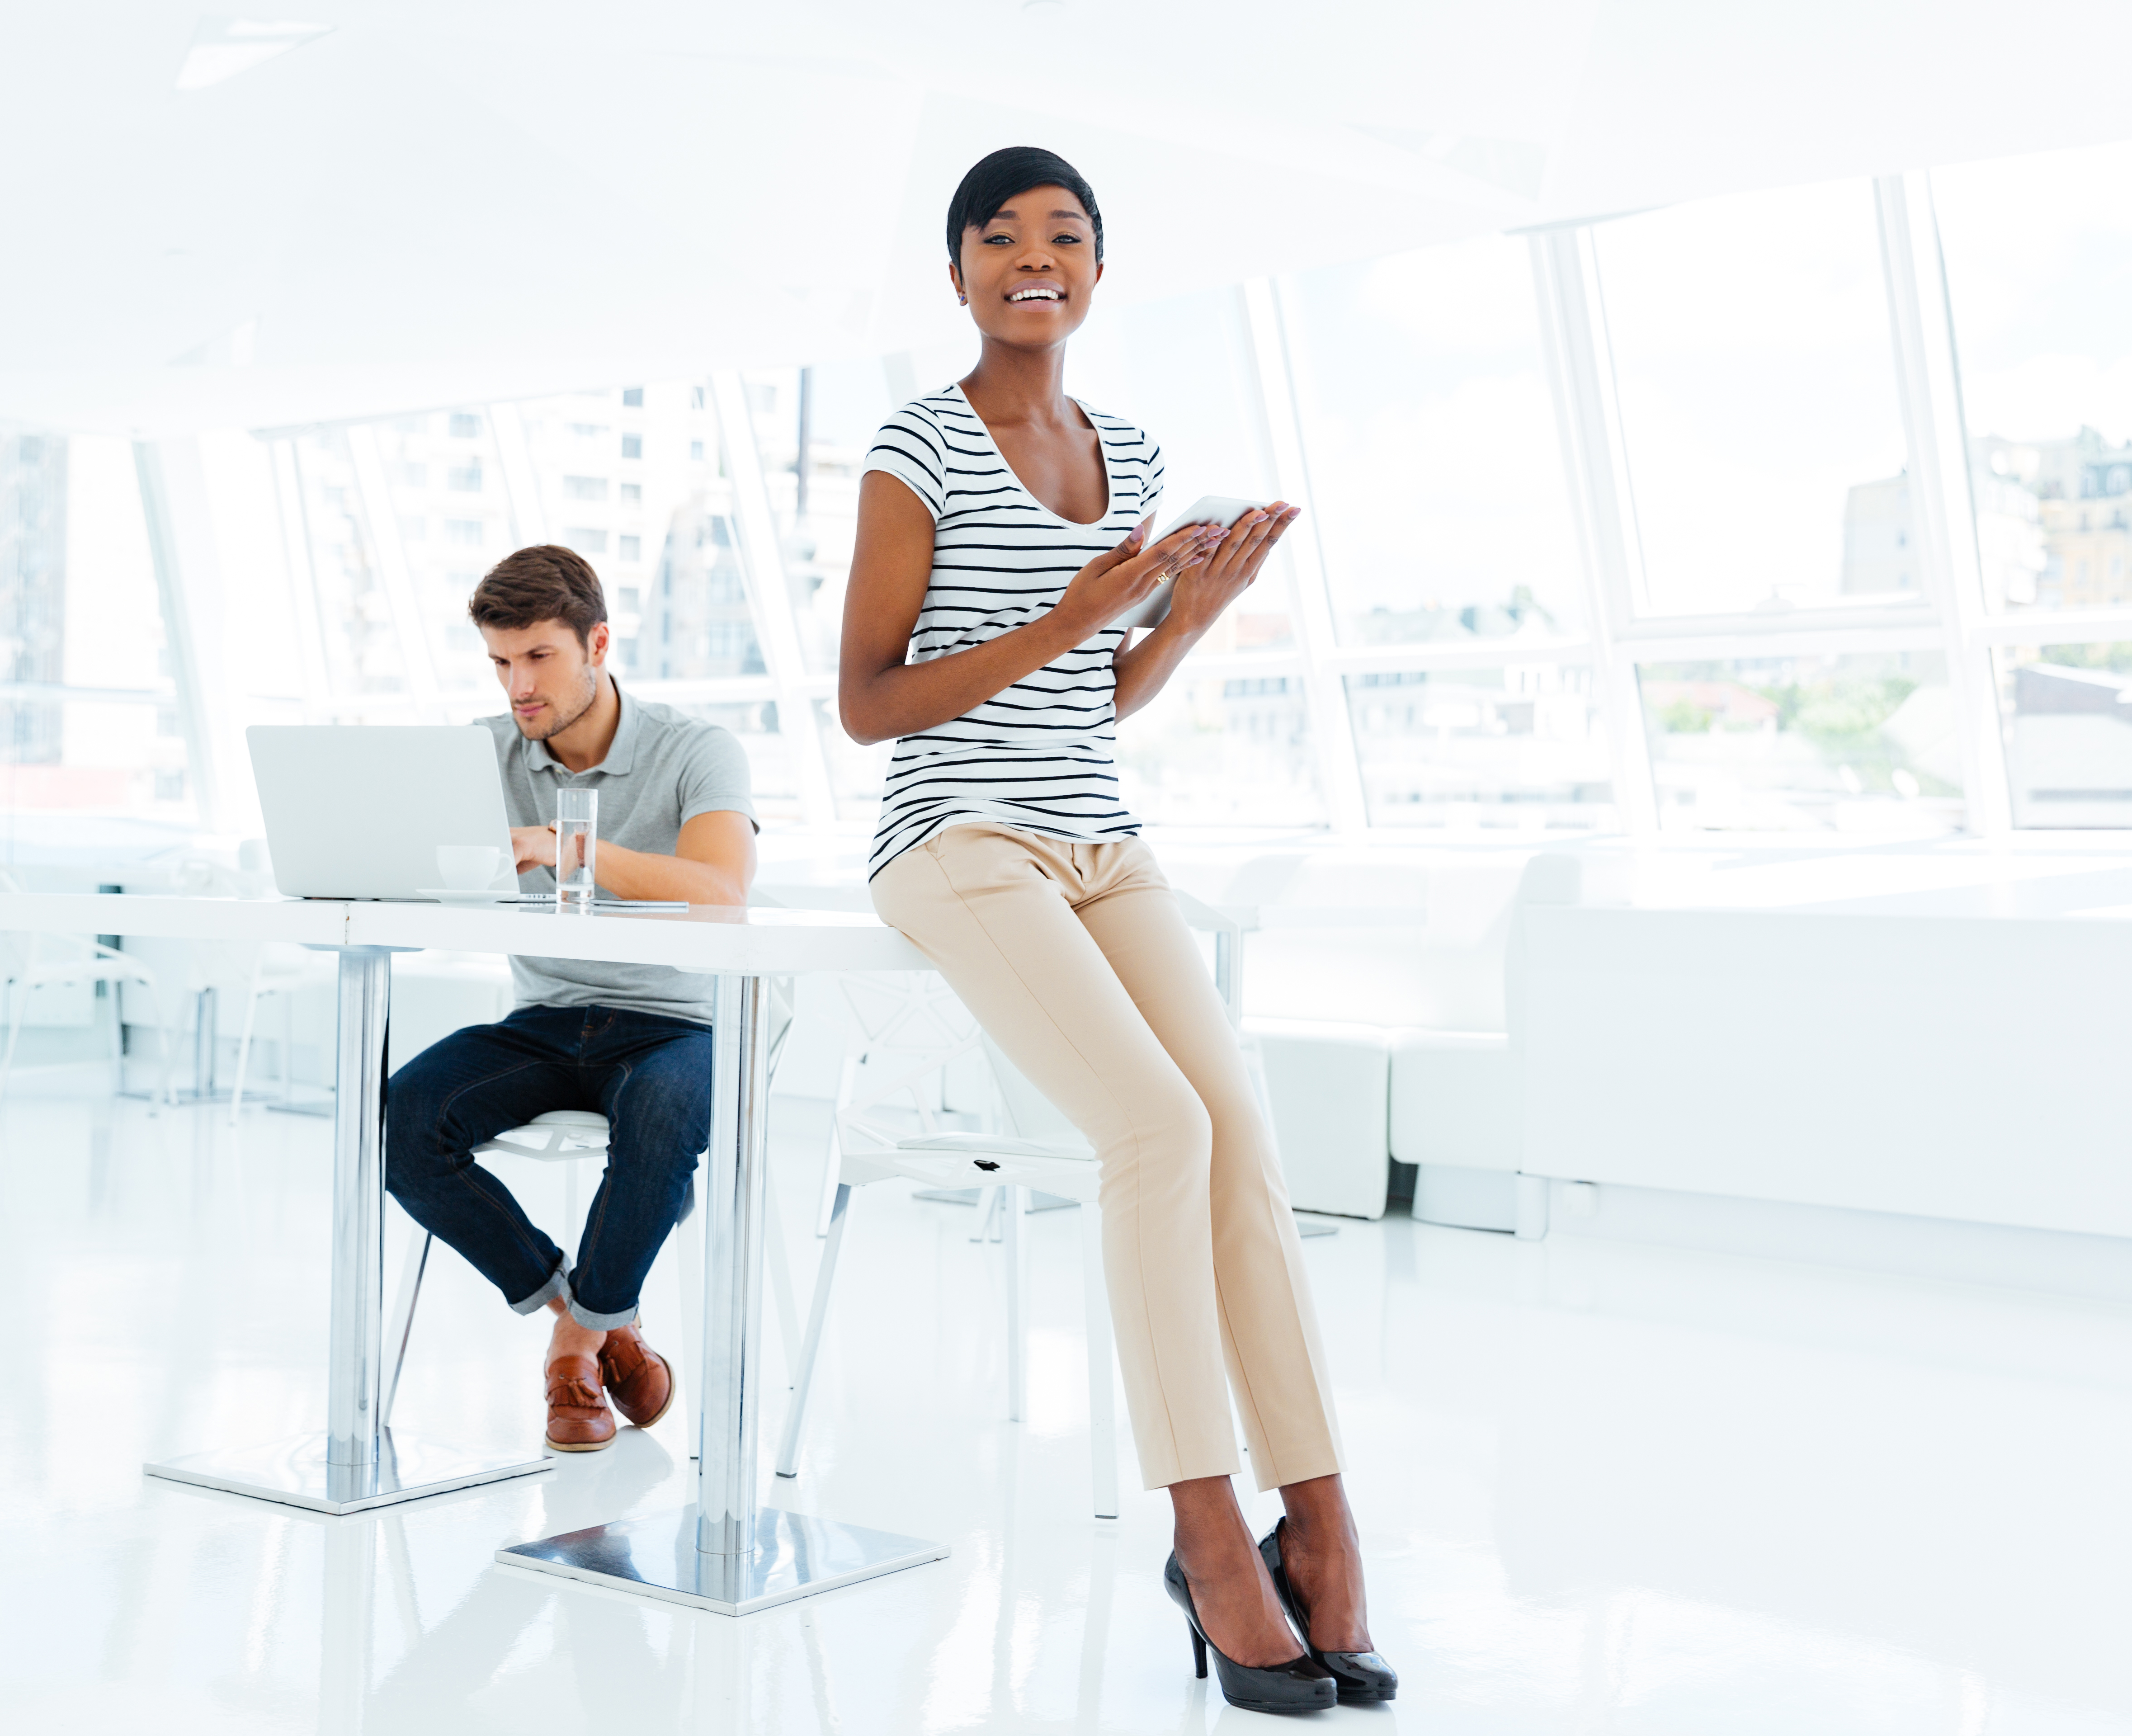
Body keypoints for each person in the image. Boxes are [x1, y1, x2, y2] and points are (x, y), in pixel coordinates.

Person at [836, 146, 1395, 1714]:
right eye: (1001, 235)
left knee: (1239, 1131)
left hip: (1099, 835)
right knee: (1156, 1129)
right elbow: (869, 704)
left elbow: (1103, 698)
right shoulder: (918, 446)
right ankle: (1209, 1541)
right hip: (956, 837)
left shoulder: (1130, 451)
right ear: (958, 271)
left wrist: (1183, 617)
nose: (1036, 256)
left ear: (1097, 268)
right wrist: (1076, 614)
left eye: (1065, 235)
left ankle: (1322, 1521)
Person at [383, 544, 759, 1454]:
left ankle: (572, 1357)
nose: (519, 685)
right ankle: (593, 1321)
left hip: (672, 1024)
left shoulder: (696, 750)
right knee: (399, 1120)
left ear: (598, 644)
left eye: (538, 657)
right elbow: (409, 873)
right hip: (545, 1022)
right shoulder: (481, 753)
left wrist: (567, 846)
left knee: (663, 1117)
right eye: (500, 662)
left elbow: (721, 892)